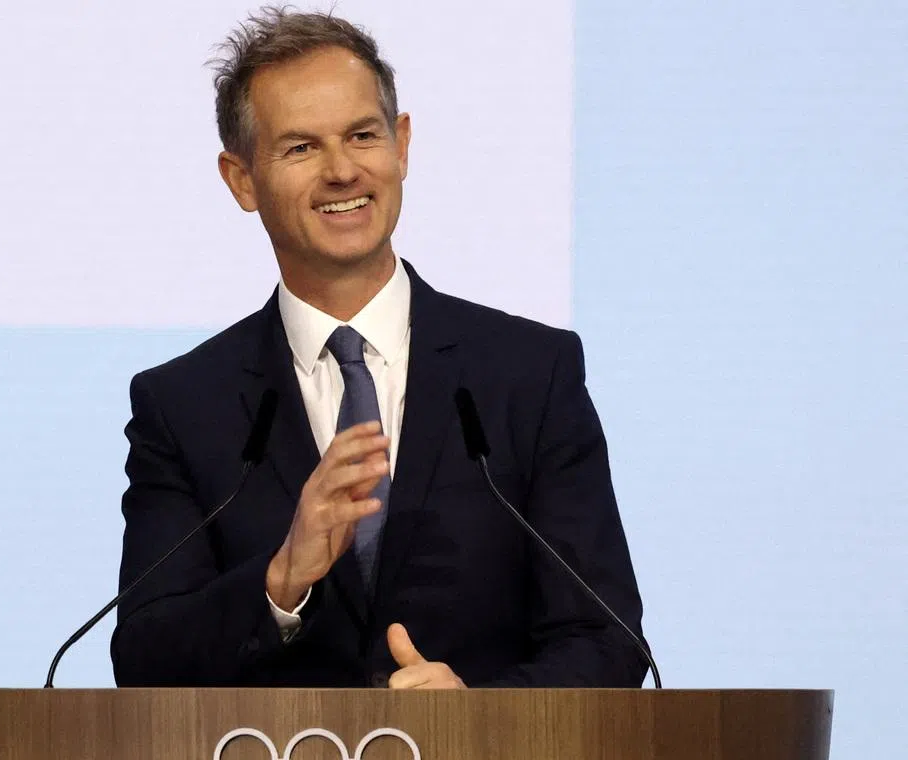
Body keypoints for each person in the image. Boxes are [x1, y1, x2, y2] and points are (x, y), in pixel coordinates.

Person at [110, 7, 648, 689]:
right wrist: (281, 584)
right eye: (301, 148)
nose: (342, 172)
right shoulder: (183, 406)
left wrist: (481, 718)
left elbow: (608, 641)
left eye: (362, 135)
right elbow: (145, 661)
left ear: (401, 144)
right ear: (241, 179)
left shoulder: (528, 375)